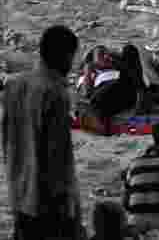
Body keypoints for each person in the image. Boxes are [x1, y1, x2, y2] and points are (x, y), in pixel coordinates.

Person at [2, 25, 82, 240]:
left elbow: (7, 139)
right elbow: (58, 153)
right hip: (48, 199)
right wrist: (68, 203)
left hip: (18, 188)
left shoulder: (14, 86)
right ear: (65, 56)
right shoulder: (55, 92)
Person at [76, 44, 145, 119]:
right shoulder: (88, 76)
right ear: (92, 61)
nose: (106, 56)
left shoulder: (119, 70)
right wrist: (88, 72)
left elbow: (134, 75)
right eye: (101, 54)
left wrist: (116, 62)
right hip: (102, 100)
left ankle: (143, 98)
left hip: (125, 92)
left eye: (107, 54)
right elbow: (85, 94)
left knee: (130, 49)